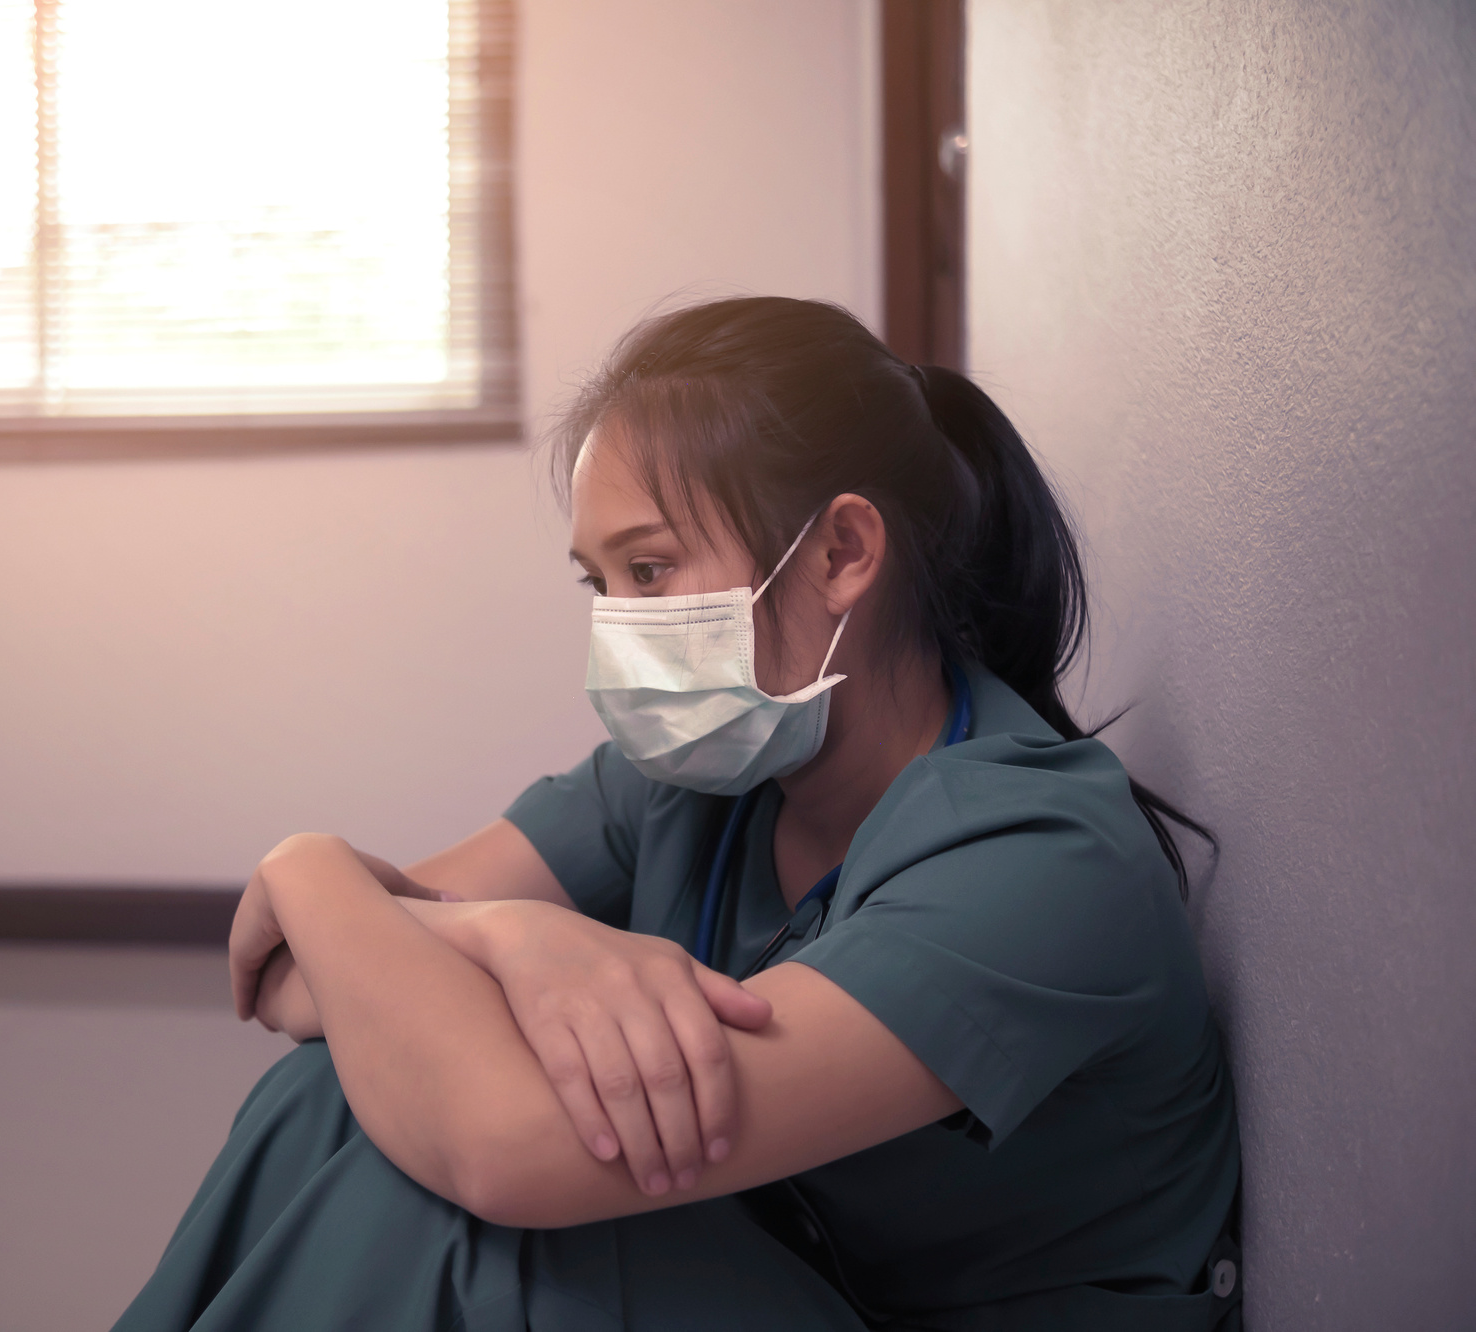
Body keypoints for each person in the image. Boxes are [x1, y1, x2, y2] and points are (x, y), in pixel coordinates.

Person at [110, 297, 1241, 1332]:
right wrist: (498, 930)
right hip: (782, 1279)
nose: (617, 625)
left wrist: (330, 882)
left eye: (648, 573)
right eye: (598, 585)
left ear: (841, 553)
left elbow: (509, 1147)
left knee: (462, 1206)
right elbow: (300, 983)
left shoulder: (1037, 860)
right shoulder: (697, 785)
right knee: (337, 1094)